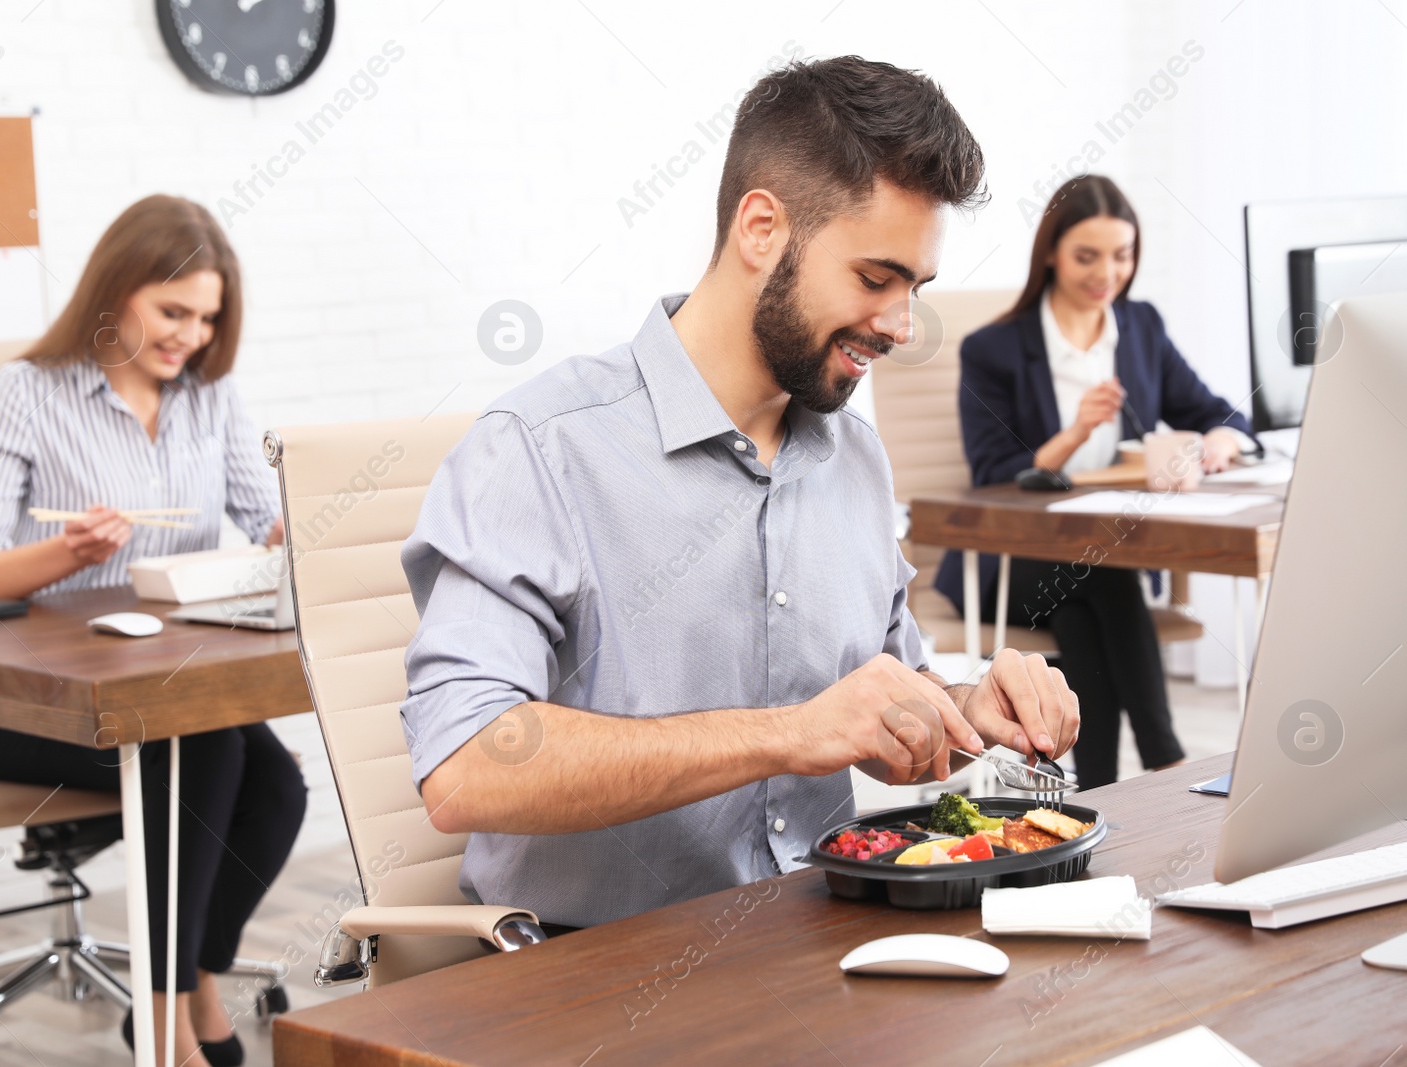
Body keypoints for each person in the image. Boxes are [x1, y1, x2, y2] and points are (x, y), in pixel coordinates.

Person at [399, 56, 1081, 932]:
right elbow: (462, 768)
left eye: (915, 288)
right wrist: (788, 733)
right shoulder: (540, 451)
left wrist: (966, 713)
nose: (902, 326)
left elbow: (881, 709)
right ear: (761, 228)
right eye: (875, 279)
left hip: (813, 946)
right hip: (591, 982)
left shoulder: (854, 460)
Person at [0, 195, 306, 1067]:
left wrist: (294, 527)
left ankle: (183, 989)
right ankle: (172, 1032)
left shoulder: (208, 398)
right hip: (26, 703)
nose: (191, 335)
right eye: (172, 311)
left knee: (279, 788)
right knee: (205, 754)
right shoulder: (28, 391)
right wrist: (64, 554)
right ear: (117, 291)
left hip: (163, 690)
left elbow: (262, 523)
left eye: (207, 319)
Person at [932, 174, 1257, 789]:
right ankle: (1167, 757)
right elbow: (991, 477)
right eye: (1087, 256)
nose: (1106, 272)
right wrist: (1074, 435)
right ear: (1051, 252)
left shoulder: (1139, 328)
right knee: (1102, 572)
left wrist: (1220, 438)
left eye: (1122, 255)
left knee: (1089, 603)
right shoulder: (994, 348)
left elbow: (1222, 412)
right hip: (1012, 561)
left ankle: (1097, 793)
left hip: (1092, 573)